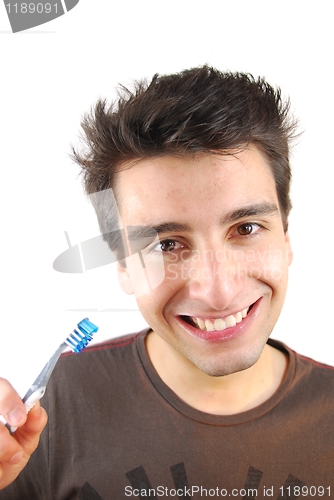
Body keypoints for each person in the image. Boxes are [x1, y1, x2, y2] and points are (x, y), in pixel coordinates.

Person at [1, 66, 334, 499]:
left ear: (286, 238)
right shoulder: (45, 412)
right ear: (122, 265)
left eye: (247, 228)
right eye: (166, 244)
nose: (218, 292)